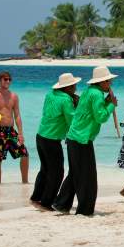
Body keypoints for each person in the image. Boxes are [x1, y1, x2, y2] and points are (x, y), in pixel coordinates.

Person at [52, 66, 118, 215]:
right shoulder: (96, 94)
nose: (110, 84)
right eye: (108, 81)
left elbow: (90, 112)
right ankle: (84, 210)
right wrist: (112, 104)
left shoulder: (89, 92)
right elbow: (100, 117)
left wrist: (107, 102)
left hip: (74, 137)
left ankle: (61, 204)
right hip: (81, 139)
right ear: (101, 82)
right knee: (87, 176)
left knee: (77, 172)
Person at [30, 73, 80, 211]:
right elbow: (72, 120)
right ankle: (46, 203)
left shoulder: (50, 94)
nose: (76, 87)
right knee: (57, 172)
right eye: (74, 85)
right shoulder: (66, 100)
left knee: (45, 169)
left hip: (40, 135)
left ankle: (36, 197)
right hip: (52, 139)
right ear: (68, 87)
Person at [0, 71, 29, 183]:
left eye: (9, 79)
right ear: (0, 80)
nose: (8, 81)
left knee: (24, 154)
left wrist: (20, 133)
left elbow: (17, 115)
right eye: (5, 79)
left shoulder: (14, 96)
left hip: (11, 131)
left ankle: (25, 182)